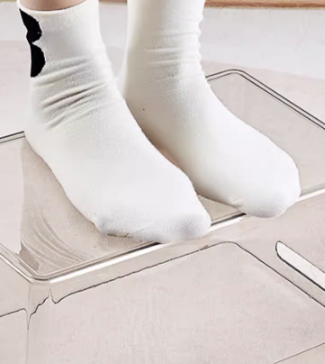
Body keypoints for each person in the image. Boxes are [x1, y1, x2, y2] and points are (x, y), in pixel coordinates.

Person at [17, 0, 300, 243]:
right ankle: (67, 92)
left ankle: (162, 75)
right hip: (64, 100)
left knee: (168, 49)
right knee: (69, 75)